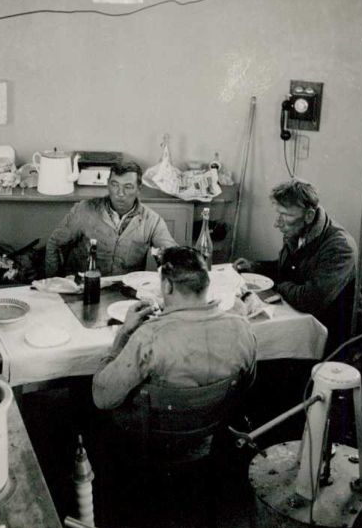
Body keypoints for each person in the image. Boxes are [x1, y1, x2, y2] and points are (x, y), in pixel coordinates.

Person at [91, 245, 257, 421]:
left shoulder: (148, 337)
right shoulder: (242, 328)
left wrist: (124, 333)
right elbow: (246, 386)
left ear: (168, 286)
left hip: (155, 429)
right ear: (206, 283)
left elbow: (102, 398)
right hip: (214, 424)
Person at [233, 179, 357, 340]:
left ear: (309, 215)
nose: (277, 223)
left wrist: (277, 286)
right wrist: (255, 267)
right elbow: (289, 269)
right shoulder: (300, 229)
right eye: (279, 213)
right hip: (300, 318)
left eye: (286, 215)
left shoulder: (340, 247)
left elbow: (310, 300)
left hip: (331, 334)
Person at [44, 158, 177, 277]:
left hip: (124, 291)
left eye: (128, 187)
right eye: (114, 185)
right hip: (82, 288)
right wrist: (55, 285)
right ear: (107, 184)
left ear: (139, 189)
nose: (120, 193)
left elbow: (173, 256)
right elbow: (54, 244)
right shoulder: (84, 210)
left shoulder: (152, 221)